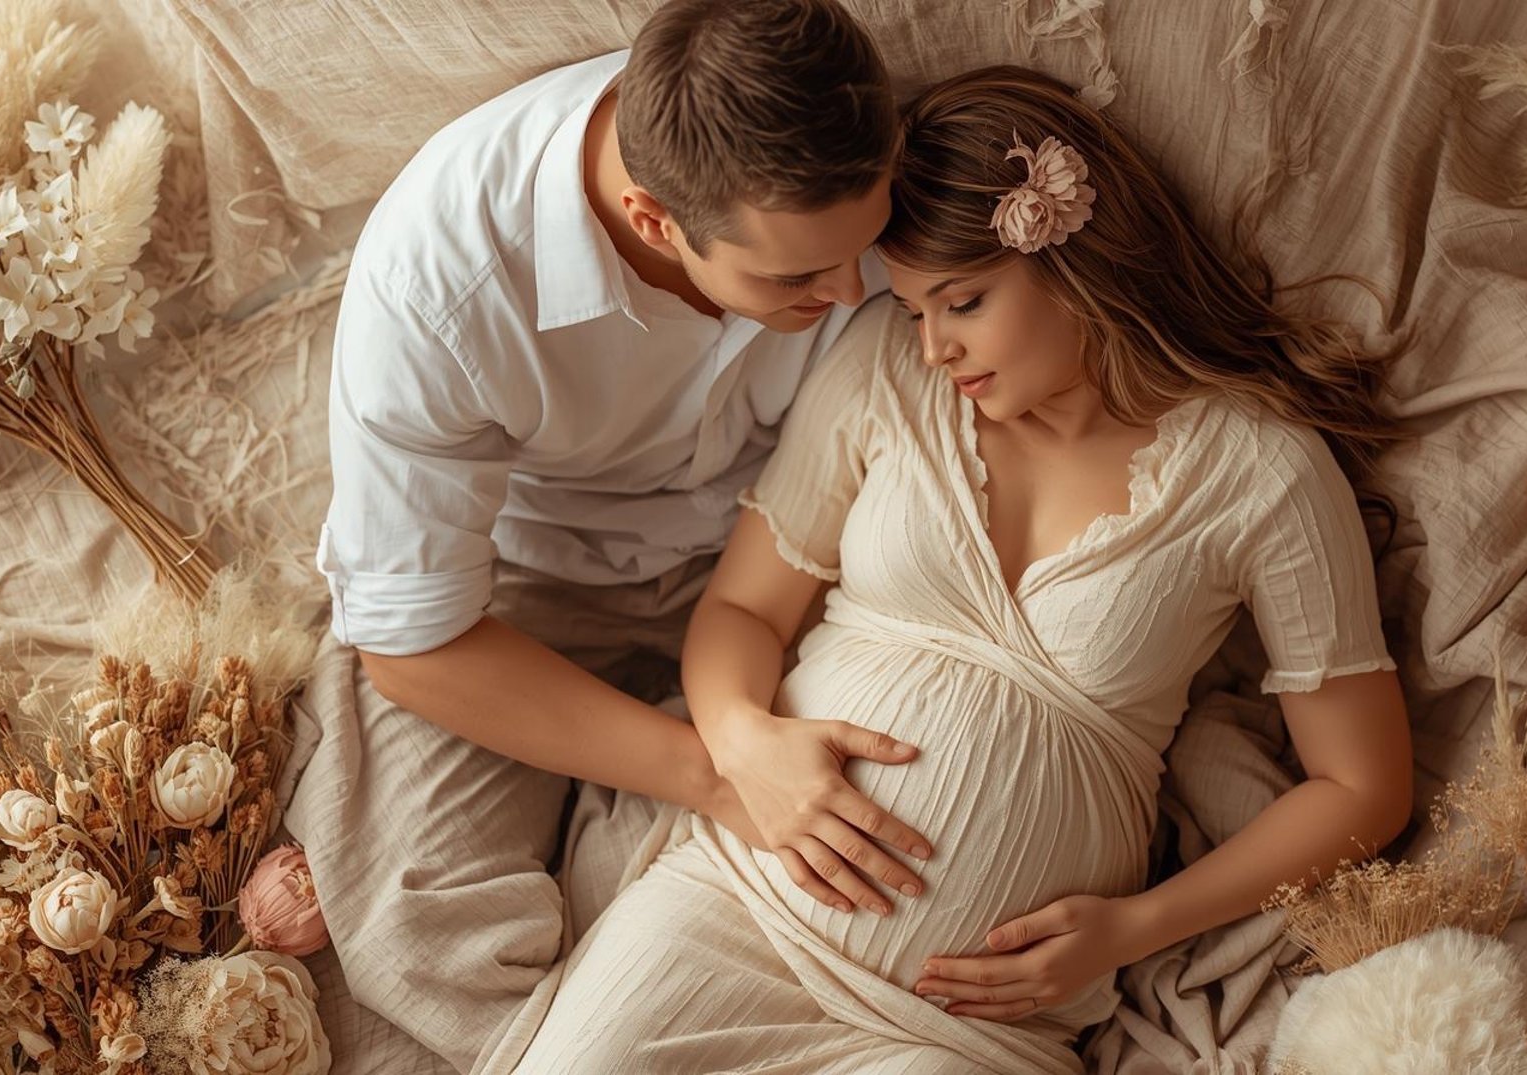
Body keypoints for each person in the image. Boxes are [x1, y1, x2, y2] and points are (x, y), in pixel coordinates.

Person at [508, 65, 1415, 1074]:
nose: (935, 345)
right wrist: (740, 736)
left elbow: (1362, 783)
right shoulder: (882, 373)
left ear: (1078, 259)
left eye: (965, 302)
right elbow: (741, 610)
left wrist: (1137, 925)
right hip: (738, 909)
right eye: (912, 310)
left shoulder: (1262, 471)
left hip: (964, 1025)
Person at [284, 1, 939, 1068]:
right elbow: (414, 646)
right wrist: (711, 770)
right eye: (795, 280)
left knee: (912, 841)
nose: (854, 292)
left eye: (864, 247)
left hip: (812, 557)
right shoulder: (439, 279)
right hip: (537, 589)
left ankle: (654, 930)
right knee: (406, 918)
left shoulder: (832, 159)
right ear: (651, 221)